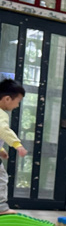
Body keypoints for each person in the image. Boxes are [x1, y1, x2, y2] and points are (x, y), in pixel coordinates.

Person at [0, 79, 28, 216]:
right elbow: (3, 130)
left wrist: (1, 150)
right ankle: (1, 207)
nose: (17, 106)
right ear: (7, 99)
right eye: (17, 102)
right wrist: (17, 145)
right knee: (1, 178)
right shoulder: (1, 114)